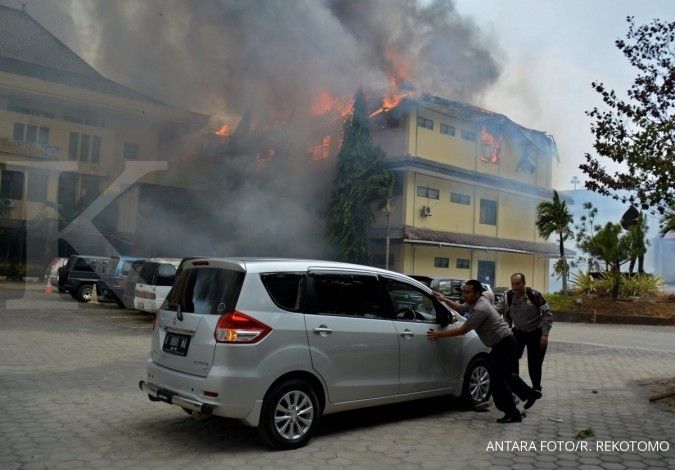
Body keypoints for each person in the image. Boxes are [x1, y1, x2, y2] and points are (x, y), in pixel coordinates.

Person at [428, 280, 541, 423]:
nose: (465, 295)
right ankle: (529, 394)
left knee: (497, 381)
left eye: (468, 292)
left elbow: (463, 330)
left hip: (505, 344)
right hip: (503, 343)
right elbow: (461, 308)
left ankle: (513, 412)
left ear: (477, 293)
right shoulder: (476, 301)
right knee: (506, 376)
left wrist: (439, 335)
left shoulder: (480, 308)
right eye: (464, 292)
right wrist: (444, 299)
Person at [496, 273, 552, 393]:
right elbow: (496, 311)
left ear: (524, 283)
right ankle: (515, 387)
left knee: (534, 363)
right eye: (513, 284)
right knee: (512, 358)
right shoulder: (508, 297)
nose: (515, 287)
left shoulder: (535, 295)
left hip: (535, 332)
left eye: (518, 284)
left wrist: (545, 334)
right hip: (518, 332)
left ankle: (536, 389)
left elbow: (547, 315)